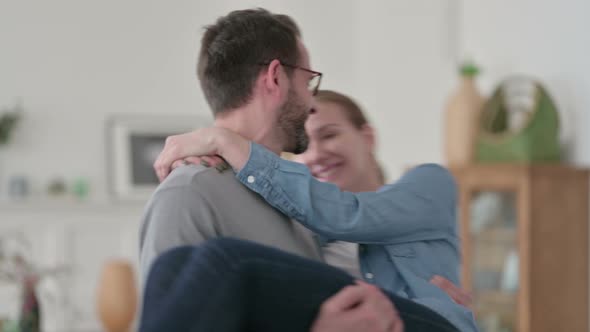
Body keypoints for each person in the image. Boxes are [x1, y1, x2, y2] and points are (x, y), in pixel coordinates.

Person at [139, 9, 412, 332]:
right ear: (275, 78)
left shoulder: (295, 199)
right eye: (308, 82)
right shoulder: (189, 194)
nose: (312, 104)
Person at [149, 91, 478, 331]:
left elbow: (346, 215)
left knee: (228, 260)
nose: (318, 153)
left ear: (367, 137)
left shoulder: (429, 183)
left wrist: (224, 142)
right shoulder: (298, 229)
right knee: (171, 265)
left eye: (330, 135)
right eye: (305, 145)